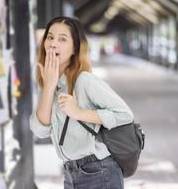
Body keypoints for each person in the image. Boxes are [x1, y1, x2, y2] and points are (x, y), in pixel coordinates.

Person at [29, 16, 134, 189]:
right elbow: (40, 130)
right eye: (50, 37)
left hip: (98, 170)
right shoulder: (49, 83)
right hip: (71, 172)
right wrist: (48, 87)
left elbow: (125, 114)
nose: (53, 43)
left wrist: (78, 113)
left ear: (74, 48)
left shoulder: (84, 81)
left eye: (62, 39)